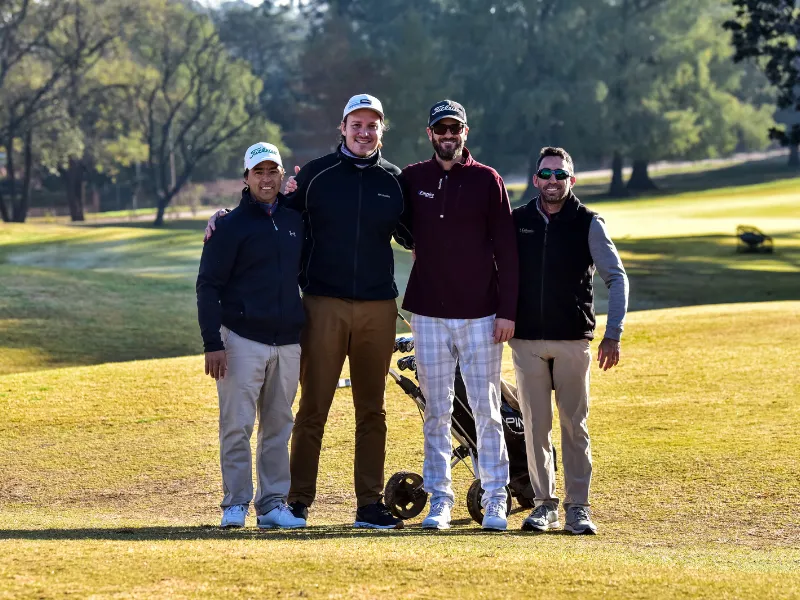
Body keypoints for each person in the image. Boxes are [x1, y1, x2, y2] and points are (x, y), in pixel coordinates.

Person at [205, 94, 413, 529]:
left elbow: (415, 235)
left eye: (372, 125)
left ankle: (369, 504)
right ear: (342, 127)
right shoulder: (316, 176)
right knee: (312, 408)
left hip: (378, 305)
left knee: (372, 410)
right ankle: (295, 502)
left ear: (382, 130)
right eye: (356, 124)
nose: (364, 132)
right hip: (322, 303)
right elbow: (269, 212)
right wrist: (223, 215)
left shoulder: (394, 180)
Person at [398, 100, 519, 531]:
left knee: (486, 407)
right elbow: (376, 212)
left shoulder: (488, 180)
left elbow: (507, 249)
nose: (448, 135)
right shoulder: (412, 178)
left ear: (466, 131)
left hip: (481, 314)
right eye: (440, 129)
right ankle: (441, 499)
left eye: (455, 128)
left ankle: (496, 497)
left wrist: (508, 311)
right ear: (430, 133)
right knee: (437, 409)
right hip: (428, 312)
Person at [510, 146, 629, 535]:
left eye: (560, 175)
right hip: (526, 341)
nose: (552, 181)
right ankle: (544, 506)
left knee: (574, 426)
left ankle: (578, 507)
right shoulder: (519, 220)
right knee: (535, 426)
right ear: (535, 179)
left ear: (571, 180)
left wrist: (612, 334)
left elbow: (617, 278)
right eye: (546, 174)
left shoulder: (589, 223)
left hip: (572, 341)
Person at [197, 142, 306, 530]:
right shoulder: (228, 226)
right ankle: (236, 503)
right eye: (258, 171)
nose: (266, 178)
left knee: (278, 427)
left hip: (288, 341)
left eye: (272, 171)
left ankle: (273, 504)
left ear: (281, 176)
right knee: (238, 426)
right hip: (240, 340)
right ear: (246, 177)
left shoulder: (295, 219)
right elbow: (208, 285)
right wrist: (213, 342)